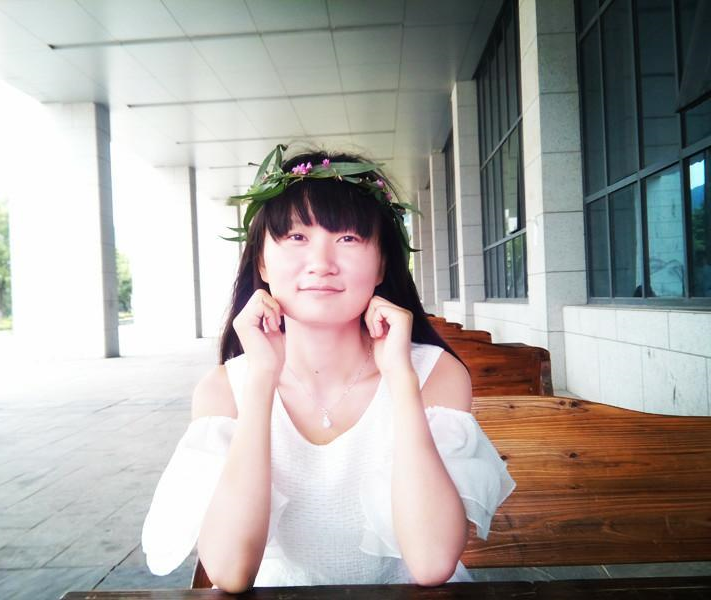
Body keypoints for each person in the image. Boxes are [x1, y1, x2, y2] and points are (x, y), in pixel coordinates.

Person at [141, 145, 515, 592]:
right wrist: (261, 380)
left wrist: (400, 379)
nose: (321, 263)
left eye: (348, 238)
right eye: (296, 237)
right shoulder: (225, 389)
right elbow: (229, 572)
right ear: (261, 261)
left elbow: (431, 563)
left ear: (382, 263)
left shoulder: (434, 374)